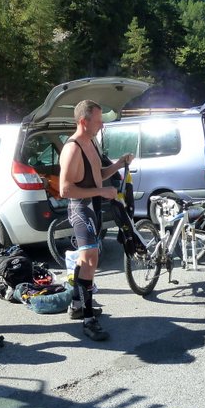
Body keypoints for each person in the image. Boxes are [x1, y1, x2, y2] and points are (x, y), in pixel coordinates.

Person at [59, 100, 133, 341]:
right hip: (81, 208)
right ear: (84, 121)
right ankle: (88, 319)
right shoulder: (72, 148)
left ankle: (77, 304)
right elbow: (65, 190)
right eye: (99, 121)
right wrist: (101, 192)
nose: (102, 125)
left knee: (85, 258)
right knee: (91, 258)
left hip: (94, 207)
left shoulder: (91, 142)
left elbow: (98, 174)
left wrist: (119, 164)